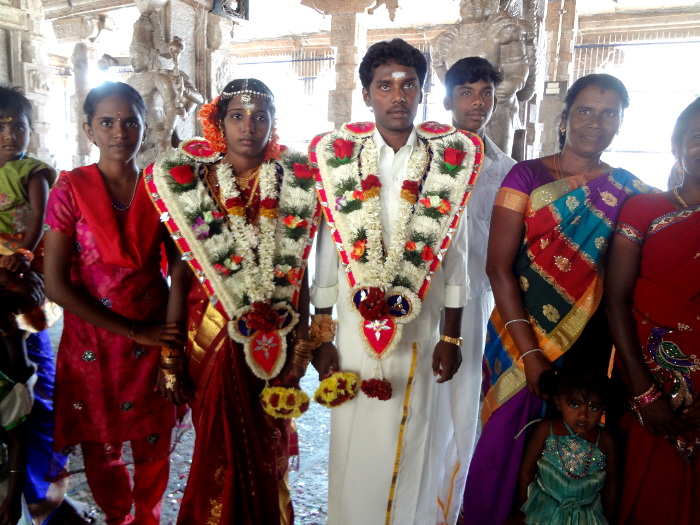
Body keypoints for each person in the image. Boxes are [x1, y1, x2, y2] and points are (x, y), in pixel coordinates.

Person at [462, 73, 654, 525]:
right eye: (585, 110)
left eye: (609, 113)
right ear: (564, 118)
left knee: (572, 452)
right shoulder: (526, 175)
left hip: (589, 339)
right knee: (503, 448)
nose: (595, 122)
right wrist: (530, 357)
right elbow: (498, 268)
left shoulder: (627, 189)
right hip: (518, 337)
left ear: (621, 123)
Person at [310, 38, 482, 524]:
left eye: (409, 85)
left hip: (421, 328)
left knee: (415, 437)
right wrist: (322, 335)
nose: (398, 96)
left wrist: (450, 335)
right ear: (367, 95)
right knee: (351, 436)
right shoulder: (338, 158)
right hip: (352, 325)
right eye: (385, 86)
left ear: (423, 92)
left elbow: (457, 255)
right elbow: (326, 253)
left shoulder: (446, 161)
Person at [147, 78, 322, 525]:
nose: (249, 127)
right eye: (237, 116)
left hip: (274, 331)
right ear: (218, 122)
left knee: (267, 437)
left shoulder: (292, 182)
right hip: (209, 330)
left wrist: (302, 340)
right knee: (216, 442)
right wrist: (169, 354)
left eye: (260, 116)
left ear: (273, 123)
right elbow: (180, 268)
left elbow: (298, 266)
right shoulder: (194, 182)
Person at [44, 81, 185, 525]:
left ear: (145, 128)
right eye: (106, 122)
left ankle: (148, 517)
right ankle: (118, 518)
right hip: (93, 343)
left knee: (153, 445)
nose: (119, 132)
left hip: (154, 337)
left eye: (130, 122)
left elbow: (181, 267)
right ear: (89, 130)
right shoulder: (69, 189)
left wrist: (171, 334)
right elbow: (55, 285)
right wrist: (130, 330)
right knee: (102, 449)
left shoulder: (162, 190)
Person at [605, 98, 700, 525]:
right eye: (697, 138)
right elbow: (617, 301)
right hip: (651, 388)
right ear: (677, 146)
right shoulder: (643, 209)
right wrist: (646, 394)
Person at [0, 86, 91, 525]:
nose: (9, 135)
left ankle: (43, 495)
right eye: (0, 126)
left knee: (40, 395)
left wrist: (21, 257)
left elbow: (39, 222)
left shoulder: (32, 172)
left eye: (18, 126)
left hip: (22, 278)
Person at [436, 56, 516, 524]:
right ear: (448, 99)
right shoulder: (426, 153)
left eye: (485, 94)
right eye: (467, 92)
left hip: (479, 296)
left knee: (465, 393)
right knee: (425, 390)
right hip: (428, 296)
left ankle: (455, 499)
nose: (477, 103)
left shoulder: (506, 168)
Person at [508, 369, 618, 525]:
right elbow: (527, 470)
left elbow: (611, 485)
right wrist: (524, 508)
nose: (583, 415)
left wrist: (608, 519)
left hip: (586, 517)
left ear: (603, 408)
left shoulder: (606, 440)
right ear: (559, 402)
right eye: (574, 404)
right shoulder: (547, 429)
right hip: (541, 510)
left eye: (593, 407)